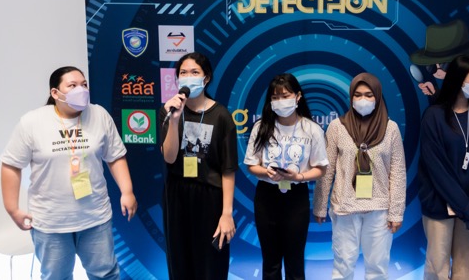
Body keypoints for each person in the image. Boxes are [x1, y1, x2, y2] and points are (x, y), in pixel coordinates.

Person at [1, 66, 137, 280]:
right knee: (56, 277)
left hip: (95, 217)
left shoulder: (99, 114)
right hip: (51, 221)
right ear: (55, 93)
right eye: (72, 86)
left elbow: (115, 156)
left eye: (84, 84)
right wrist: (12, 209)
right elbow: (11, 165)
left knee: (105, 274)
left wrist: (127, 191)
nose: (81, 90)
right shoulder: (32, 122)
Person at [314, 72, 406, 280]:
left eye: (368, 95)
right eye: (358, 95)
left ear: (378, 97)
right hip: (345, 207)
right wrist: (320, 205)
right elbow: (327, 170)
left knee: (377, 269)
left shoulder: (390, 129)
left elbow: (398, 172)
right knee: (343, 267)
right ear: (351, 97)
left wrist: (396, 212)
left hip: (379, 210)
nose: (362, 99)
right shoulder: (337, 127)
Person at [417, 55, 469, 280]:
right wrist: (462, 204)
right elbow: (435, 167)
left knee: (467, 269)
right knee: (437, 268)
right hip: (439, 204)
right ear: (458, 78)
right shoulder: (434, 116)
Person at [160, 52, 238, 280]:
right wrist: (174, 120)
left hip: (210, 196)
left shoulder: (221, 115)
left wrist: (226, 213)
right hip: (177, 195)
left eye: (195, 72)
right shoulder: (168, 111)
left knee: (211, 264)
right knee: (180, 262)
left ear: (206, 78)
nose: (188, 77)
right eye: (183, 72)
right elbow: (169, 157)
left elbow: (228, 169)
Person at [244, 73, 328, 280]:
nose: (280, 101)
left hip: (296, 197)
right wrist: (266, 172)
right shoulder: (261, 127)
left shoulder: (312, 129)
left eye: (285, 96)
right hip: (266, 196)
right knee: (270, 261)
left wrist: (299, 177)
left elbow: (321, 169)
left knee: (295, 261)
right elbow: (251, 165)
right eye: (275, 97)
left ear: (298, 97)